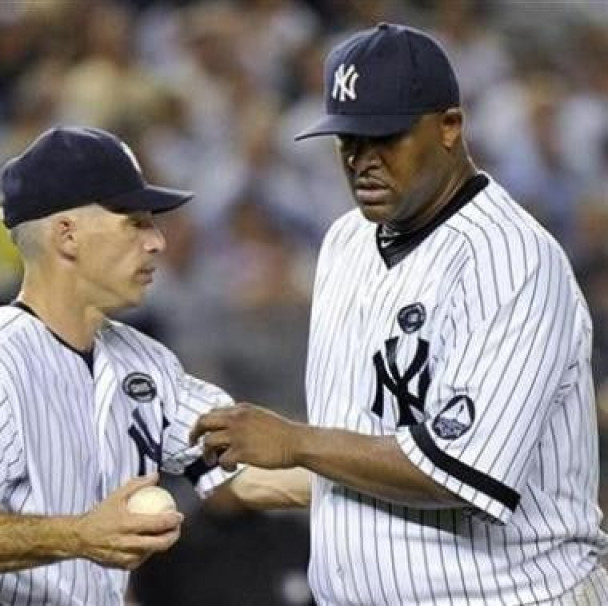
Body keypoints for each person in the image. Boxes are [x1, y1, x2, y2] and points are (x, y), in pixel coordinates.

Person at [191, 23, 608, 605]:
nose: (363, 160)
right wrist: (221, 480)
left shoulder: (512, 259)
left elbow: (458, 470)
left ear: (449, 127)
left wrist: (295, 442)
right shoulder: (344, 242)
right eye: (348, 141)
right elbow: (359, 447)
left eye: (384, 136)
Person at [0, 126, 309, 605]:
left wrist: (380, 476)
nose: (158, 242)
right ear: (67, 235)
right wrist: (79, 535)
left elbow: (244, 473)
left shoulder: (145, 362)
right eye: (135, 222)